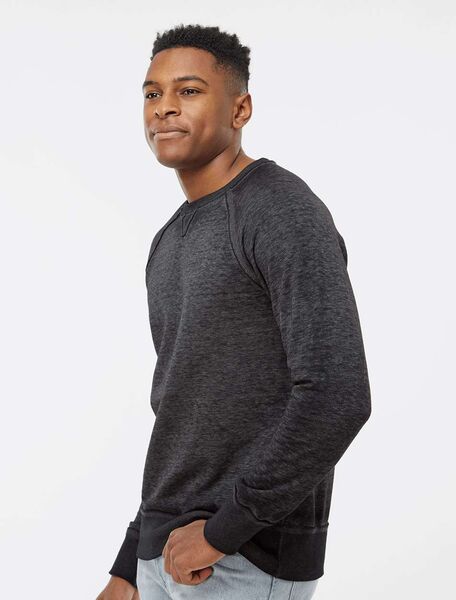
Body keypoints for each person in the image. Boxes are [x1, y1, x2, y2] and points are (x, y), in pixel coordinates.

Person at [96, 23, 372, 600]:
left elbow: (337, 393)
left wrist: (223, 532)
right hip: (162, 557)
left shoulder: (279, 209)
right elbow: (178, 411)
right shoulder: (169, 240)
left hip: (241, 557)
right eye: (152, 93)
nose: (164, 108)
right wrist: (129, 562)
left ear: (240, 109)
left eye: (189, 91)